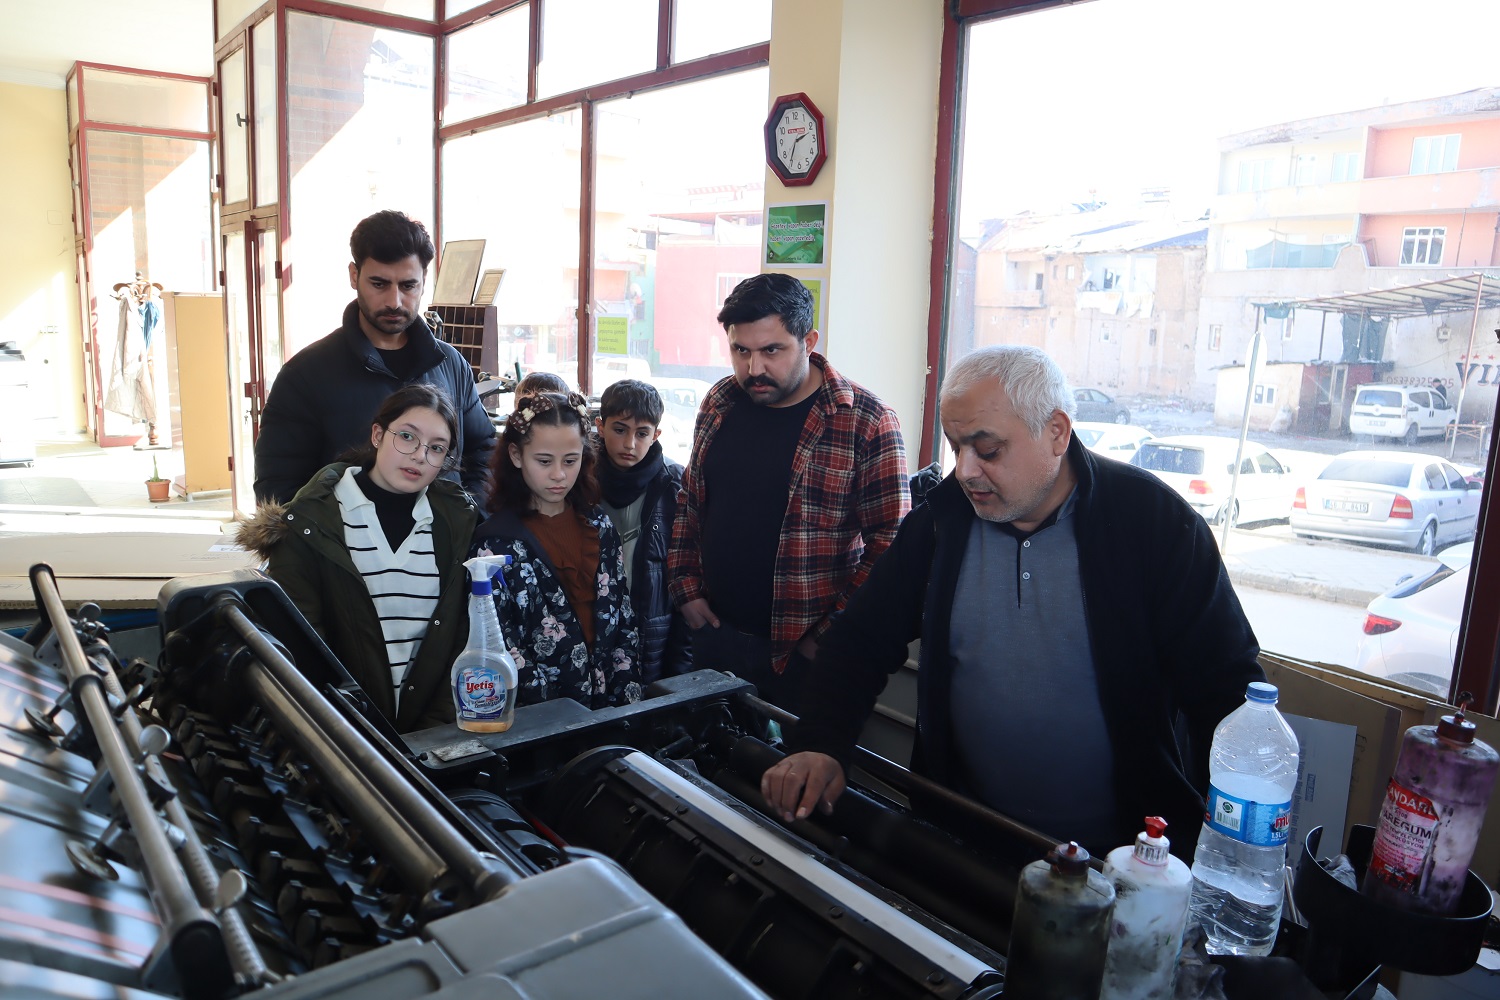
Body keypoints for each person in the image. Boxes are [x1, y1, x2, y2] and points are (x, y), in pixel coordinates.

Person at [761, 345, 1264, 861]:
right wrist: (821, 743)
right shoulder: (940, 522)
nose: (966, 471)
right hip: (964, 838)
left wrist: (1224, 846)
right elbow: (859, 642)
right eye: (956, 447)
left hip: (1120, 854)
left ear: (1057, 433)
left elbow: (1226, 688)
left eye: (988, 449)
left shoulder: (1154, 524)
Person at [668, 273, 909, 713]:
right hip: (715, 634)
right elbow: (690, 500)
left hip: (804, 652)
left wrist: (829, 634)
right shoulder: (720, 401)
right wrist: (686, 587)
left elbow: (891, 544)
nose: (753, 368)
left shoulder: (866, 421)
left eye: (771, 350)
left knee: (800, 777)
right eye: (741, 351)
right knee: (709, 773)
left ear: (809, 340)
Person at [239, 384, 478, 732]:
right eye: (407, 437)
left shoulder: (457, 524)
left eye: (436, 448)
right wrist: (354, 734)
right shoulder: (311, 523)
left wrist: (434, 731)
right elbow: (301, 648)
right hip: (341, 733)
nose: (419, 456)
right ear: (378, 434)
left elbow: (464, 637)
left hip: (431, 736)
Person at [254, 210, 496, 506]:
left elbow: (483, 451)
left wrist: (470, 516)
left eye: (408, 286)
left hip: (446, 549)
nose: (394, 301)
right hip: (346, 551)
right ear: (354, 276)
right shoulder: (305, 375)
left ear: (424, 279)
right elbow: (278, 489)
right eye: (379, 284)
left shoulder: (451, 365)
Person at [471, 390, 642, 709]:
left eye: (571, 460)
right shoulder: (495, 544)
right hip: (541, 721)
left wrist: (627, 699)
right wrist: (557, 714)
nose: (559, 475)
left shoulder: (600, 524)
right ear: (516, 455)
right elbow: (501, 646)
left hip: (611, 708)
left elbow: (623, 619)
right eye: (544, 461)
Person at [595, 379, 692, 683]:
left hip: (654, 634)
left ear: (656, 435)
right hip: (593, 628)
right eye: (620, 429)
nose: (629, 444)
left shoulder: (675, 487)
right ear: (600, 427)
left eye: (642, 433)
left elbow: (686, 576)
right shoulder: (578, 480)